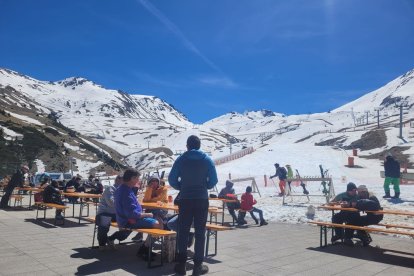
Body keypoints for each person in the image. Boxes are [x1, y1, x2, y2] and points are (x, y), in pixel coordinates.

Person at [168, 135, 218, 276]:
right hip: (202, 199)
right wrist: (205, 186)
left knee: (183, 231)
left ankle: (181, 265)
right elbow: (213, 180)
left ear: (187, 146)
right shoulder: (207, 160)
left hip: (185, 199)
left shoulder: (181, 159)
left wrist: (182, 186)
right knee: (200, 232)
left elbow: (172, 179)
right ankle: (197, 266)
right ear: (199, 145)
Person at [114, 168, 163, 260]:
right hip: (128, 221)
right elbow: (132, 214)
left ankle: (146, 248)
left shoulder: (123, 188)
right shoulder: (126, 192)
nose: (138, 180)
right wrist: (147, 215)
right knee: (159, 224)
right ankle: (144, 250)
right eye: (137, 178)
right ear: (132, 178)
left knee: (160, 221)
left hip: (124, 218)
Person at [96, 175, 130, 250]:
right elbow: (111, 203)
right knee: (103, 225)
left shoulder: (125, 190)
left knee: (131, 224)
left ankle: (111, 238)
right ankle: (102, 244)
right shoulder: (110, 188)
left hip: (117, 214)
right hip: (105, 213)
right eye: (124, 180)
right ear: (118, 180)